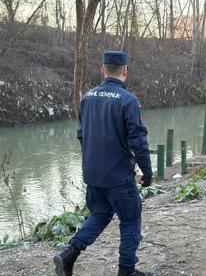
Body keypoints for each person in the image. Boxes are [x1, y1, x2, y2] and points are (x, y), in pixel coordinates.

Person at [53, 51, 153, 276]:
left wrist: (92, 162)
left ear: (103, 69)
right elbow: (138, 142)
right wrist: (147, 172)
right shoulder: (129, 101)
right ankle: (126, 270)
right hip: (118, 177)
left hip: (93, 173)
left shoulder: (87, 97)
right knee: (130, 220)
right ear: (125, 71)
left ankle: (68, 254)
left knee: (99, 214)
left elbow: (82, 135)